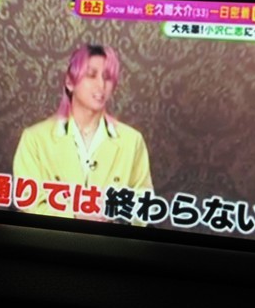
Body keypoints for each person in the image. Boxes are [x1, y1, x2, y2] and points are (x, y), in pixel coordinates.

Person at [12, 43, 152, 222]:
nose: (101, 85)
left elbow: (144, 207)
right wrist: (75, 215)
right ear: (70, 82)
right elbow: (27, 203)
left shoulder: (132, 140)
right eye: (91, 75)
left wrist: (113, 214)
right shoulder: (35, 138)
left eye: (107, 77)